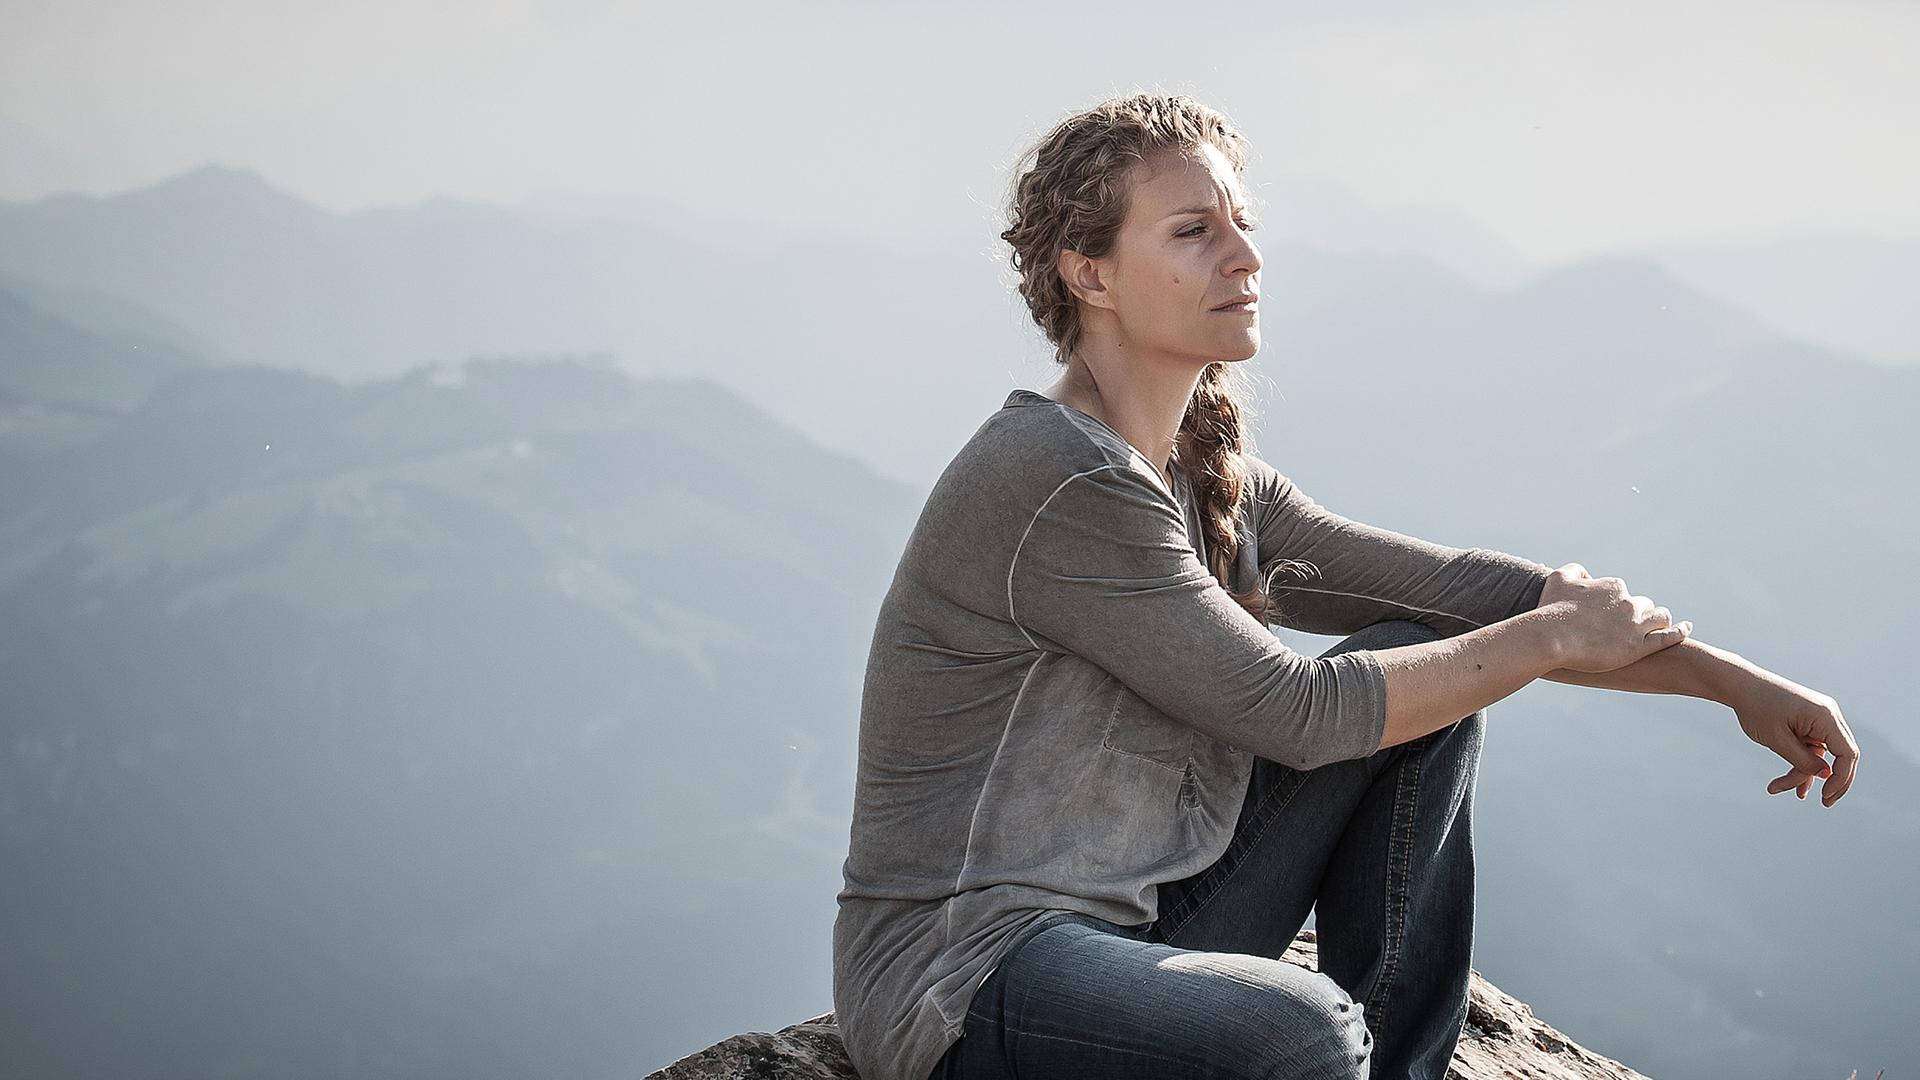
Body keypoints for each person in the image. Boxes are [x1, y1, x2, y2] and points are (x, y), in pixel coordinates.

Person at [830, 92, 1860, 1080]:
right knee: (1303, 1035)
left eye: (1242, 221)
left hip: (1142, 922)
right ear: (1088, 273)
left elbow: (1466, 602)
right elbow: (1298, 713)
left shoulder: (1196, 468)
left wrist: (1730, 683)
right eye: (1194, 231)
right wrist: (1548, 644)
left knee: (1425, 680)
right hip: (971, 980)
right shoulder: (1059, 476)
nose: (1246, 255)